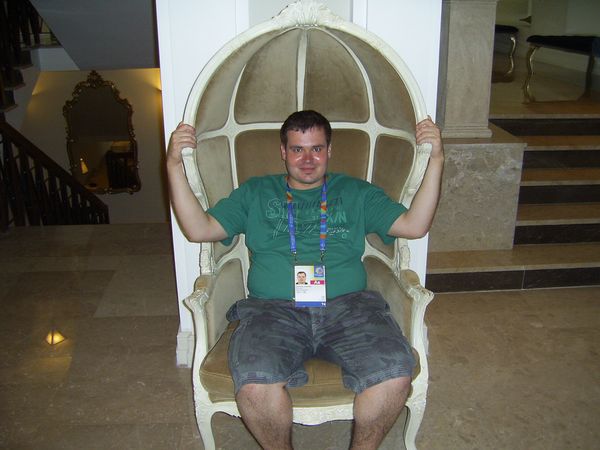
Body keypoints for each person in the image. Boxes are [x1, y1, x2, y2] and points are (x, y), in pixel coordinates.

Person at [167, 110, 444, 450]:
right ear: (283, 152)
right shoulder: (256, 192)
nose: (308, 159)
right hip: (273, 310)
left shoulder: (356, 192)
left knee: (394, 373)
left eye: (317, 149)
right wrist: (174, 166)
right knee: (254, 386)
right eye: (298, 149)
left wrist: (437, 160)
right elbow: (199, 229)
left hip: (349, 309)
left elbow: (415, 225)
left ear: (330, 150)